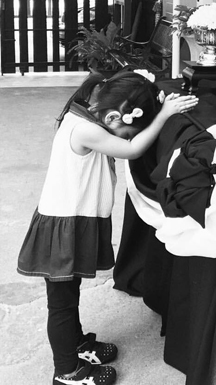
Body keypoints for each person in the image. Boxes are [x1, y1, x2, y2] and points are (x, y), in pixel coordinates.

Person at [17, 69, 198, 385]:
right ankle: (67, 372)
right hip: (63, 228)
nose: (125, 137)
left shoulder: (87, 114)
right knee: (61, 305)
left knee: (69, 296)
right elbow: (132, 150)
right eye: (127, 130)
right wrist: (163, 115)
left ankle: (76, 345)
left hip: (71, 222)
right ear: (114, 116)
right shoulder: (86, 130)